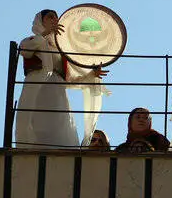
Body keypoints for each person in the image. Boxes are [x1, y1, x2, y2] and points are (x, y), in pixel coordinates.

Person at [14, 10, 108, 149]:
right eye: (50, 17)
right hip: (38, 89)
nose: (55, 20)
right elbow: (24, 49)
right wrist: (45, 34)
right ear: (41, 21)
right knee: (36, 123)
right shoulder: (32, 40)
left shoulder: (60, 48)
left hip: (57, 93)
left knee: (58, 126)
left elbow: (70, 78)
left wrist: (91, 75)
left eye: (56, 17)